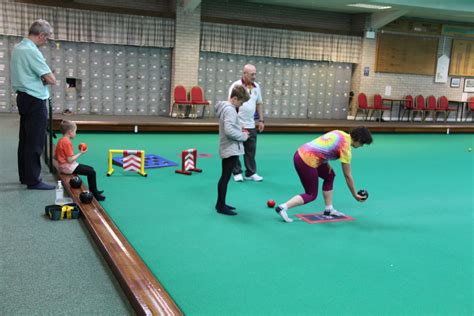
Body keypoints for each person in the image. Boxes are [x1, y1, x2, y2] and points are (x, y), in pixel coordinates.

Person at [275, 127, 373, 223]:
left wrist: (326, 162)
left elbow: (323, 146)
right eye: (362, 143)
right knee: (311, 194)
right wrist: (354, 194)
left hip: (300, 153)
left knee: (329, 175)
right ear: (358, 139)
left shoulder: (339, 133)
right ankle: (283, 207)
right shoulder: (346, 149)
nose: (361, 146)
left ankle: (329, 209)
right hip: (306, 161)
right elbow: (347, 175)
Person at [11, 19, 57, 190]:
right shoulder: (32, 51)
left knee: (25, 139)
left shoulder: (18, 48)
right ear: (41, 35)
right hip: (35, 99)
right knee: (35, 141)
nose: (46, 41)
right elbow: (51, 79)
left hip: (23, 97)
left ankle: (25, 176)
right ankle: (33, 180)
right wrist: (48, 76)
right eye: (47, 38)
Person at [215, 85, 250, 215]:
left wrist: (239, 127)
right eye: (240, 102)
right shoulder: (229, 109)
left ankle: (221, 203)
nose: (240, 105)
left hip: (228, 147)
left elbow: (230, 126)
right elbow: (229, 130)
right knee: (225, 177)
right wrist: (243, 136)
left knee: (225, 177)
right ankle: (220, 206)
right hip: (230, 148)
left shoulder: (227, 108)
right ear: (234, 98)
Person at [228, 64, 264, 182]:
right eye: (252, 74)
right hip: (237, 123)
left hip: (251, 124)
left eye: (255, 74)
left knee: (250, 150)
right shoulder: (236, 85)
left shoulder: (256, 87)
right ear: (244, 74)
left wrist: (261, 120)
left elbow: (259, 103)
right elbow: (230, 103)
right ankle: (237, 172)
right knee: (236, 148)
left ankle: (250, 173)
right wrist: (233, 121)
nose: (254, 76)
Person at [55, 120, 105, 201]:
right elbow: (70, 160)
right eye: (75, 131)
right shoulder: (67, 142)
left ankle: (94, 190)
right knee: (91, 172)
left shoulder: (61, 140)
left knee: (91, 169)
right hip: (67, 167)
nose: (75, 133)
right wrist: (81, 153)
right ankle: (95, 194)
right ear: (70, 132)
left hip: (64, 166)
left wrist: (61, 161)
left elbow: (55, 156)